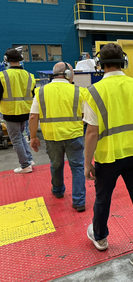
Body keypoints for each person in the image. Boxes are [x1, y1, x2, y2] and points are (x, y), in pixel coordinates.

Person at [83, 43, 133, 274]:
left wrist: (87, 163)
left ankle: (101, 238)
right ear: (123, 61)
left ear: (99, 64)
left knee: (103, 199)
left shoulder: (94, 92)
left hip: (108, 158)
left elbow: (92, 132)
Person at [29, 62, 87, 211]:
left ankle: (58, 190)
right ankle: (79, 201)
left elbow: (33, 117)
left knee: (56, 165)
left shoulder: (41, 91)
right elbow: (83, 114)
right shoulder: (78, 91)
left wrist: (33, 137)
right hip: (74, 135)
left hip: (52, 137)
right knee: (77, 167)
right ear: (67, 74)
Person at [0, 48, 35, 173]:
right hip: (26, 112)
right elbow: (33, 93)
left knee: (16, 140)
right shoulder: (29, 76)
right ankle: (29, 160)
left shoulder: (2, 76)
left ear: (6, 60)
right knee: (20, 137)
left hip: (10, 113)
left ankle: (25, 165)